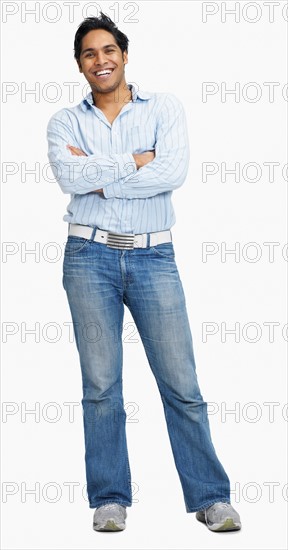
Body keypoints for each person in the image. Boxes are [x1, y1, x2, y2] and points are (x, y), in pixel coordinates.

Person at [46, 13, 241, 533]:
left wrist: (101, 177)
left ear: (124, 55)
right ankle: (109, 499)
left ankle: (211, 498)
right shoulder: (65, 122)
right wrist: (136, 161)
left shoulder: (165, 108)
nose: (101, 60)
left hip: (155, 257)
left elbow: (171, 171)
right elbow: (69, 174)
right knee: (101, 383)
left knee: (181, 381)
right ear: (80, 64)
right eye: (89, 53)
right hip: (88, 258)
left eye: (109, 50)